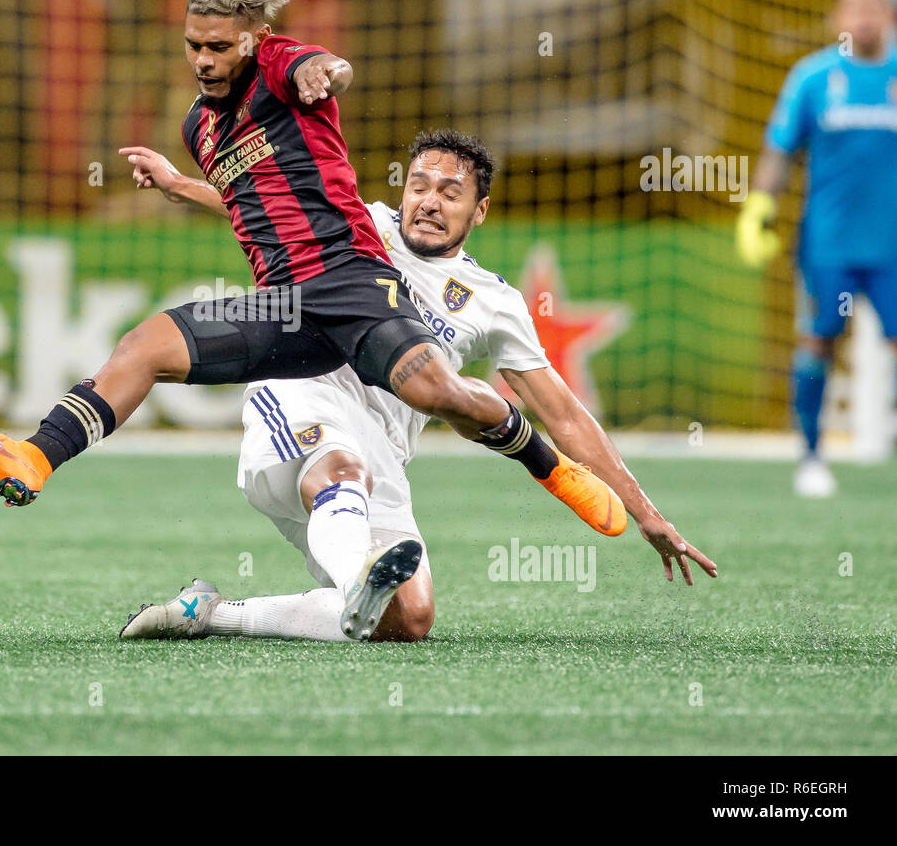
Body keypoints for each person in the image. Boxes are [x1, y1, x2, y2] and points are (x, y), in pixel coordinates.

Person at [0, 0, 624, 538]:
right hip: (286, 307)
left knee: (437, 392)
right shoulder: (198, 128)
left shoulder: (279, 65)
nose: (205, 60)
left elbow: (330, 65)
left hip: (354, 282)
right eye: (193, 45)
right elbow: (253, 205)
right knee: (141, 348)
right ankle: (32, 457)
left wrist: (321, 74)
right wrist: (183, 185)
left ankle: (552, 468)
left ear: (255, 37)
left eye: (219, 45)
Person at [120, 130, 718, 643]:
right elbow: (265, 214)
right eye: (419, 186)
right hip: (303, 396)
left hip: (383, 453)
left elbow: (562, 416)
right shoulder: (362, 225)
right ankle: (358, 571)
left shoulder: (496, 303)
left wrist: (646, 514)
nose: (429, 202)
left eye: (450, 193)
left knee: (407, 618)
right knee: (342, 470)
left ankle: (214, 615)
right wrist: (178, 184)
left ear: (479, 211)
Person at [739, 0, 897, 497]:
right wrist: (759, 208)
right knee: (818, 341)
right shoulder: (813, 78)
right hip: (829, 247)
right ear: (837, 19)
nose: (863, 18)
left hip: (892, 251)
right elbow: (779, 150)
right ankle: (810, 456)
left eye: (872, 8)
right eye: (852, 8)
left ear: (889, 17)